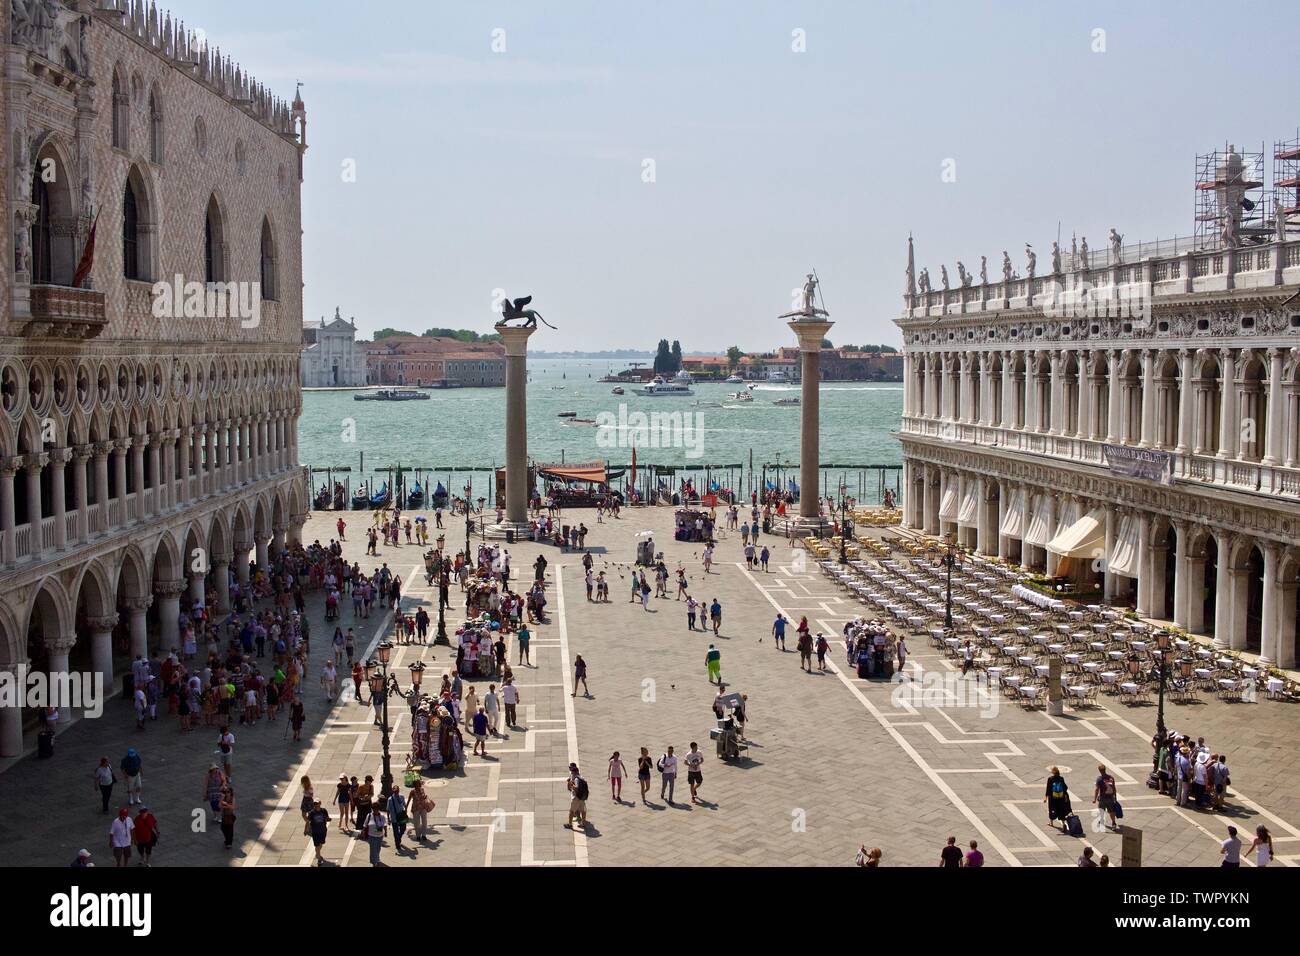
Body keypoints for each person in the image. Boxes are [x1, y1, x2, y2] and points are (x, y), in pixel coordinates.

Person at [1093, 763, 1119, 830]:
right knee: (1112, 811)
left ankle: (1101, 821)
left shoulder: (1099, 779)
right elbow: (1114, 788)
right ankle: (1113, 823)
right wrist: (1115, 797)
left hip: (1103, 798)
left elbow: (1097, 789)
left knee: (1101, 810)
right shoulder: (1111, 778)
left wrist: (1095, 799)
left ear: (1099, 770)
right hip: (1110, 797)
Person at [565, 763, 589, 829]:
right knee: (583, 811)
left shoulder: (576, 779)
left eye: (572, 772)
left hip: (576, 797)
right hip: (582, 797)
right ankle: (583, 823)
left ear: (574, 772)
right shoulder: (582, 777)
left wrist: (572, 784)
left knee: (571, 811)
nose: (571, 773)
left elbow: (576, 788)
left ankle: (570, 824)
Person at [307, 799, 331, 864]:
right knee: (317, 845)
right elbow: (308, 821)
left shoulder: (324, 810)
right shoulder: (311, 813)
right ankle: (318, 857)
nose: (316, 805)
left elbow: (327, 818)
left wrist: (328, 819)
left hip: (323, 830)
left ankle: (317, 854)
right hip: (315, 831)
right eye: (315, 804)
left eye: (317, 803)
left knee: (321, 844)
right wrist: (306, 829)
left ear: (320, 803)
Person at [386, 787, 409, 851]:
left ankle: (399, 838)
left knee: (403, 829)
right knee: (395, 832)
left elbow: (405, 805)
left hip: (401, 816)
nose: (396, 792)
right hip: (394, 818)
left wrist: (405, 812)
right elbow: (388, 810)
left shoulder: (401, 797)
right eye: (395, 791)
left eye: (397, 791)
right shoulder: (390, 799)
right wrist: (388, 819)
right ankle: (397, 843)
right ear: (393, 791)